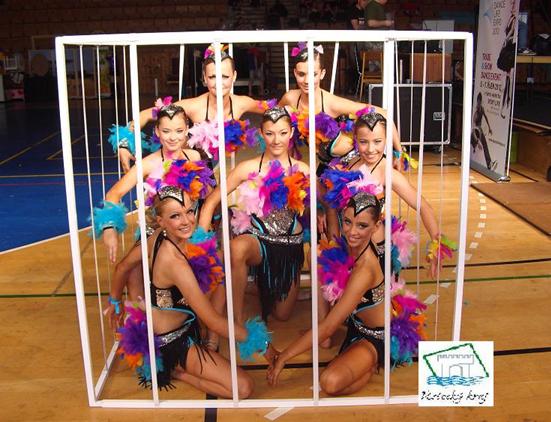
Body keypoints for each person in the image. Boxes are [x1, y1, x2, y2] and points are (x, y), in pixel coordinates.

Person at [110, 185, 275, 396]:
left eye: (189, 211)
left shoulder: (159, 235)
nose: (187, 221)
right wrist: (263, 344)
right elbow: (213, 320)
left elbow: (123, 266)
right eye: (175, 216)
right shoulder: (175, 264)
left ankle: (192, 354)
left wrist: (115, 302)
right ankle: (175, 371)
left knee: (217, 266)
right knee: (243, 387)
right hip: (171, 342)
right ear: (161, 221)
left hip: (183, 325)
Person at [198, 107, 310, 324]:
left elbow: (327, 201)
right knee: (236, 248)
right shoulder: (247, 167)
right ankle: (237, 321)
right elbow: (211, 201)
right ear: (261, 133)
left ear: (291, 133)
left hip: (289, 247)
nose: (276, 140)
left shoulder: (302, 169)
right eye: (269, 133)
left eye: (283, 133)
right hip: (258, 241)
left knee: (282, 316)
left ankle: (257, 285)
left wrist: (322, 214)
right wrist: (201, 244)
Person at [267, 191, 386, 394]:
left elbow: (329, 326)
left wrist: (283, 357)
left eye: (362, 226)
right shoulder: (352, 246)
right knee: (322, 257)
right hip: (355, 324)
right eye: (347, 222)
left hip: (373, 337)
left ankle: (373, 364)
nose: (352, 231)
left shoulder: (365, 270)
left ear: (376, 227)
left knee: (330, 382)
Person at [114, 44, 264, 173]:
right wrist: (124, 144)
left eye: (225, 76)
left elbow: (272, 109)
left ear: (234, 76)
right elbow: (145, 115)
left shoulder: (242, 103)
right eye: (212, 77)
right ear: (204, 78)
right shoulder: (193, 106)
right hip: (180, 168)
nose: (219, 82)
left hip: (208, 170)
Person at [98, 104, 203, 263]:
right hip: (157, 232)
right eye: (166, 131)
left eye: (179, 131)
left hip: (188, 230)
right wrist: (109, 228)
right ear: (157, 131)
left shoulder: (194, 157)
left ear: (187, 130)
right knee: (128, 270)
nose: (173, 137)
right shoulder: (147, 164)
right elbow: (114, 194)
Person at [278, 43, 404, 171]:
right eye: (301, 74)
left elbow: (384, 113)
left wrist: (398, 152)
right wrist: (290, 145)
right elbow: (276, 121)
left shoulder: (332, 104)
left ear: (322, 74)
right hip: (328, 165)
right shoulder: (290, 99)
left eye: (313, 74)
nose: (307, 81)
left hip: (355, 163)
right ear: (295, 73)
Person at [497, 1, 517, 119]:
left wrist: (506, 40)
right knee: (506, 80)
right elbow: (506, 31)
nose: (513, 7)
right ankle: (503, 106)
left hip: (510, 48)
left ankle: (507, 105)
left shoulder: (515, 20)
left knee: (509, 79)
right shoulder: (510, 18)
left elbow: (511, 32)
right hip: (506, 47)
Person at [471, 92, 496, 171]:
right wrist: (477, 141)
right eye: (478, 101)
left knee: (485, 146)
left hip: (480, 130)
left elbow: (485, 117)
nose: (479, 102)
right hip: (476, 131)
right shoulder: (476, 114)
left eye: (480, 101)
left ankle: (489, 164)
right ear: (477, 101)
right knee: (474, 145)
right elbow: (473, 128)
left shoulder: (482, 109)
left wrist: (489, 128)